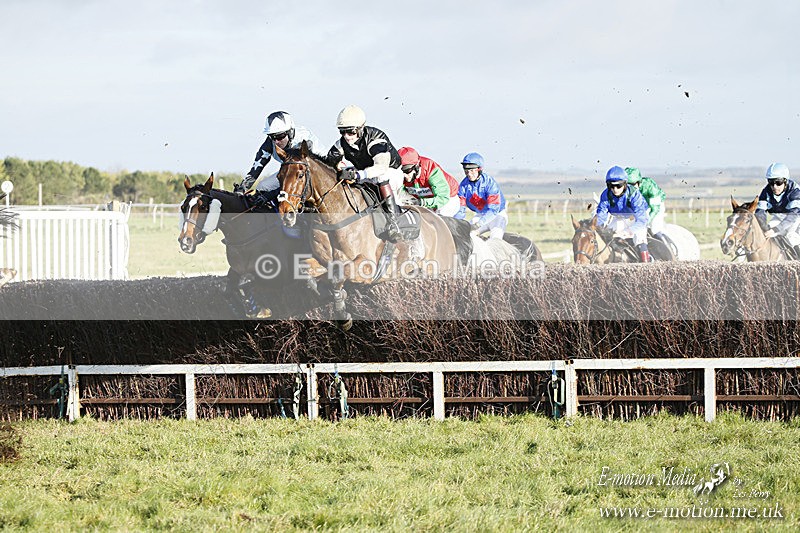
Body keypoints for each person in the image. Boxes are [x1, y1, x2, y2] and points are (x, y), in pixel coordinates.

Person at [326, 105, 406, 242]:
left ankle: (395, 223)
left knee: (382, 177)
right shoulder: (341, 144)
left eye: (350, 131)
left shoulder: (376, 139)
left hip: (391, 172)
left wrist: (357, 175)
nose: (346, 136)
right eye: (342, 132)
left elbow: (381, 167)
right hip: (366, 174)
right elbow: (328, 163)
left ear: (360, 128)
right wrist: (339, 168)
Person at [238, 111, 325, 207]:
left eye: (280, 136)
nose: (276, 142)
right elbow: (257, 167)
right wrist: (243, 187)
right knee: (262, 186)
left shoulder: (304, 141)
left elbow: (300, 180)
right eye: (272, 137)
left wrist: (271, 194)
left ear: (290, 132)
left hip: (315, 173)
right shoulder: (270, 143)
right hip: (292, 171)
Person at [595, 166, 651, 262]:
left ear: (625, 184)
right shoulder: (606, 195)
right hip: (619, 218)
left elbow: (642, 219)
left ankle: (646, 265)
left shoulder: (634, 194)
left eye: (618, 186)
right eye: (611, 186)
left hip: (637, 219)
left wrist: (628, 232)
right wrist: (596, 228)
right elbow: (601, 215)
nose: (615, 189)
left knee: (639, 238)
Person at [454, 152, 508, 239]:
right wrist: (456, 223)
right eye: (466, 171)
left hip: (497, 216)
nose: (469, 174)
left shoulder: (490, 183)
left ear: (480, 169)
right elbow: (461, 210)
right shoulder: (463, 186)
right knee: (466, 237)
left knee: (495, 240)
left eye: (472, 170)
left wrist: (479, 223)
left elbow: (493, 210)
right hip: (480, 215)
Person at [397, 147, 460, 216]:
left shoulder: (430, 168)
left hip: (447, 199)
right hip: (424, 199)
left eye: (407, 170)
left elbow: (443, 198)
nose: (404, 175)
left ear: (417, 166)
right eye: (401, 171)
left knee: (438, 221)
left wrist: (421, 202)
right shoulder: (400, 176)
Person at [755, 163, 800, 258]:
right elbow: (760, 213)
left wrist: (776, 230)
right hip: (779, 217)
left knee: (790, 236)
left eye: (778, 182)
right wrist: (765, 228)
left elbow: (792, 217)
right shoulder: (766, 191)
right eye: (771, 182)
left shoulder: (795, 191)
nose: (774, 186)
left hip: (795, 219)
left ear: (785, 181)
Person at [625, 167, 671, 248]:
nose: (630, 187)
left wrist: (646, 221)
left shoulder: (650, 185)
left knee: (654, 228)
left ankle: (669, 249)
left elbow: (655, 209)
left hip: (655, 206)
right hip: (640, 208)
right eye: (627, 185)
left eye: (633, 184)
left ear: (639, 182)